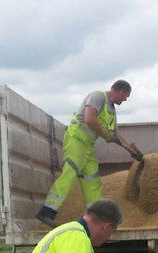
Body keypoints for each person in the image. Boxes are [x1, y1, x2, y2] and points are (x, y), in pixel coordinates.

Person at [36, 80, 137, 227]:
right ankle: (47, 212)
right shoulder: (98, 96)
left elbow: (115, 133)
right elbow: (90, 119)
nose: (126, 99)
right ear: (121, 91)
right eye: (126, 96)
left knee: (93, 182)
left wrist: (132, 151)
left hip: (88, 146)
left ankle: (96, 218)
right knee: (69, 173)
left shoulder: (112, 110)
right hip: (76, 139)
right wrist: (105, 134)